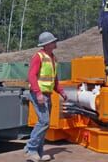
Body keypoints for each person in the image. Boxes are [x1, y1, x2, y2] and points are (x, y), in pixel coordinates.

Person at [24, 31, 67, 162]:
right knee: (44, 121)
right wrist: (38, 93)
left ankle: (39, 152)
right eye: (53, 41)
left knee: (45, 124)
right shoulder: (38, 57)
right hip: (39, 94)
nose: (56, 43)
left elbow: (54, 80)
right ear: (47, 44)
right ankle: (31, 148)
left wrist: (61, 92)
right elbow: (31, 76)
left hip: (47, 94)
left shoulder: (53, 58)